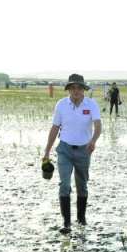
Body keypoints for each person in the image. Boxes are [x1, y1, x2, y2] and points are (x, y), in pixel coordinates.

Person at [43, 74, 102, 234]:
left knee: (82, 185)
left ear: (83, 89)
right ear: (69, 89)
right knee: (65, 185)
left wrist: (93, 140)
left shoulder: (91, 104)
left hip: (84, 150)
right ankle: (66, 222)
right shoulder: (61, 105)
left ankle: (81, 219)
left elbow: (98, 126)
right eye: (73, 88)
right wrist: (47, 151)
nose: (76, 91)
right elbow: (55, 128)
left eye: (79, 88)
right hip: (65, 150)